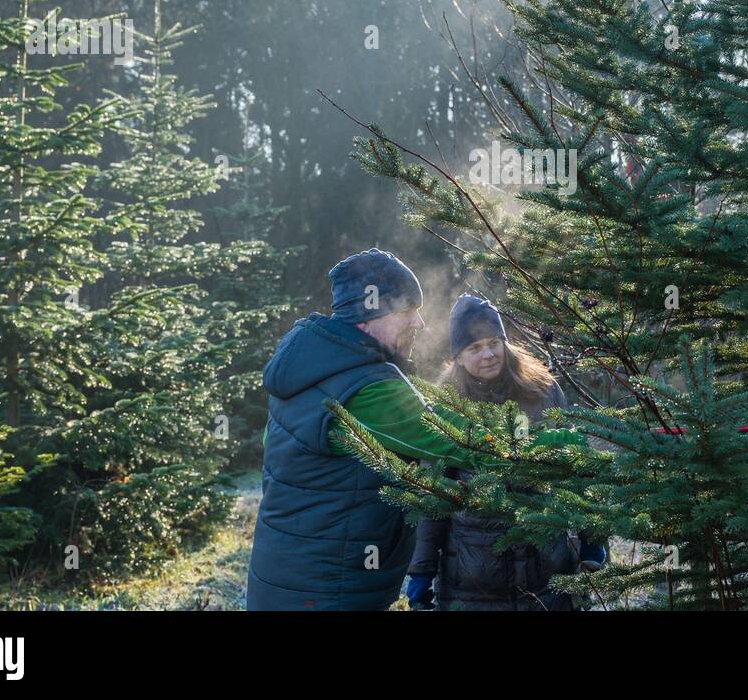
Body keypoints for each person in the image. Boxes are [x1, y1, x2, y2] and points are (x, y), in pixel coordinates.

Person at [247, 249, 510, 611]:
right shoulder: (364, 387)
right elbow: (456, 440)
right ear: (368, 314)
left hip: (287, 576)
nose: (418, 323)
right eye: (406, 311)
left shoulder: (310, 368)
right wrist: (560, 444)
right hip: (327, 589)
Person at [404, 294, 606, 611]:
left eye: (493, 342)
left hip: (547, 569)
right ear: (457, 356)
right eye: (474, 348)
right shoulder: (447, 408)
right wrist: (421, 571)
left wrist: (592, 538)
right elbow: (435, 495)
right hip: (473, 579)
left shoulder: (543, 390)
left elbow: (575, 465)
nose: (487, 354)